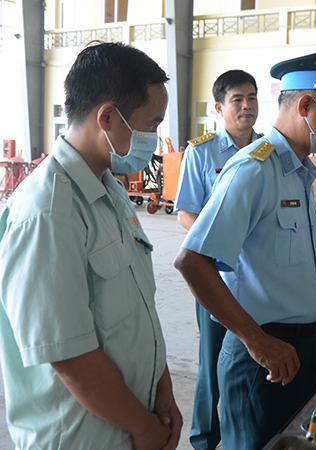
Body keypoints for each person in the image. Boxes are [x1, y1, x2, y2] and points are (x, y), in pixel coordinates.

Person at [174, 43, 316, 450]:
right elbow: (192, 260)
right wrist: (256, 342)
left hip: (303, 350)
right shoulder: (253, 170)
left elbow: (276, 251)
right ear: (304, 106)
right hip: (262, 360)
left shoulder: (298, 172)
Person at [0, 42, 182, 449]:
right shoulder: (48, 212)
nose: (154, 137)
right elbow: (69, 356)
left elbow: (139, 310)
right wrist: (143, 426)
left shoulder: (109, 191)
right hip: (82, 438)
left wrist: (162, 391)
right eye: (151, 124)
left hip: (131, 423)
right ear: (107, 117)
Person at [174, 69, 261, 450]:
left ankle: (248, 431)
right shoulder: (201, 152)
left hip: (261, 279)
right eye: (238, 99)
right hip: (217, 278)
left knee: (254, 354)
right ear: (219, 107)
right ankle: (205, 439)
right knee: (211, 365)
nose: (246, 106)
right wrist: (222, 244)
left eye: (252, 98)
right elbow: (186, 213)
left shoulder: (267, 150)